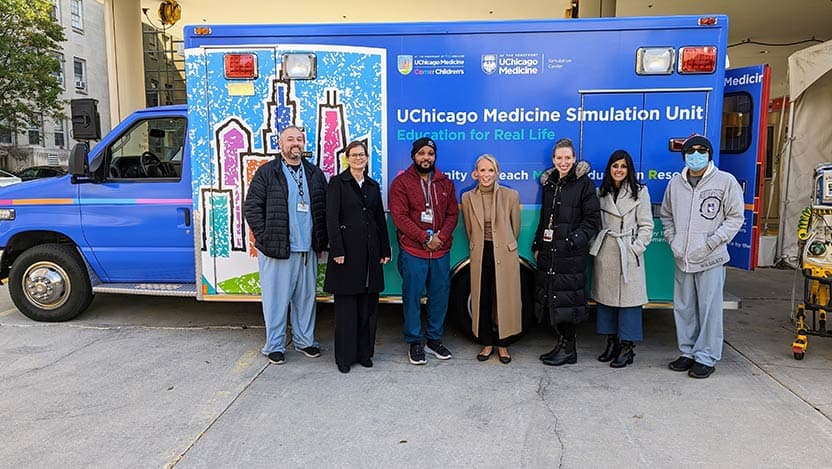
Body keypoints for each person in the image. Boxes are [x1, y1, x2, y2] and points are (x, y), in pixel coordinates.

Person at [659, 135, 744, 379]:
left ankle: (706, 357)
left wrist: (712, 243)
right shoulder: (676, 184)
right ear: (684, 156)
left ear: (709, 154)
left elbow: (735, 217)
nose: (696, 155)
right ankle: (687, 352)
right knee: (684, 308)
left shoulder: (725, 181)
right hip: (683, 258)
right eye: (691, 151)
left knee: (709, 310)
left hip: (711, 258)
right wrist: (672, 239)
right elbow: (666, 215)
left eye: (701, 151)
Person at [244, 126, 328, 365]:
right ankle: (275, 345)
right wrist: (265, 236)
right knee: (276, 300)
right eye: (290, 139)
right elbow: (252, 207)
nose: (295, 143)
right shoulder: (268, 173)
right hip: (278, 249)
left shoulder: (313, 173)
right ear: (280, 145)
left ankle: (305, 341)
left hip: (307, 249)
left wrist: (321, 240)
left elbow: (323, 209)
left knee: (305, 299)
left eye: (299, 139)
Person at [389, 137, 459, 365]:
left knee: (439, 296)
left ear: (434, 157)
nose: (426, 158)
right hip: (413, 251)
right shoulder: (401, 183)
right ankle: (414, 342)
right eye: (422, 154)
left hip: (440, 250)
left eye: (430, 153)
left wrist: (441, 237)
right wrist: (424, 237)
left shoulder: (445, 183)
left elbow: (452, 214)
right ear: (414, 156)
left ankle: (434, 340)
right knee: (412, 297)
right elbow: (399, 217)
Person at [324, 141, 391, 373]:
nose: (358, 158)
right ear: (347, 158)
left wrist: (385, 249)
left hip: (371, 255)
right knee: (346, 311)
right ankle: (344, 358)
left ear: (367, 157)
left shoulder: (372, 186)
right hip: (346, 254)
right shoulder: (337, 183)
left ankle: (364, 353)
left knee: (368, 309)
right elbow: (331, 219)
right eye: (353, 155)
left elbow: (379, 221)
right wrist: (337, 250)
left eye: (362, 155)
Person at [533, 137, 601, 366]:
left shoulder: (584, 184)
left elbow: (592, 220)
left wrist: (573, 241)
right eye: (559, 158)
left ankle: (570, 350)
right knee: (553, 299)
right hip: (550, 251)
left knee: (568, 301)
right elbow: (545, 218)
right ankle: (561, 344)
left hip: (570, 253)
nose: (563, 162)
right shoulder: (550, 183)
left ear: (574, 159)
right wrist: (537, 244)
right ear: (553, 159)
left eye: (568, 158)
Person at [589, 150, 653, 368]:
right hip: (607, 250)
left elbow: (647, 225)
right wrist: (595, 245)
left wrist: (636, 248)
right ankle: (611, 343)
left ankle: (627, 347)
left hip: (628, 251)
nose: (619, 170)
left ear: (629, 169)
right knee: (606, 301)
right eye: (615, 166)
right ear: (609, 169)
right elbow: (595, 223)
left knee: (629, 303)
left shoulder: (640, 192)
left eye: (623, 166)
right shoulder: (601, 193)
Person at [461, 154, 522, 364]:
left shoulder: (510, 195)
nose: (486, 175)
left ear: (497, 173)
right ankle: (487, 343)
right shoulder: (467, 197)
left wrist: (503, 244)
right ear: (475, 173)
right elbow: (469, 228)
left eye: (490, 170)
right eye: (482, 170)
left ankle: (503, 345)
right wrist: (480, 245)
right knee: (483, 298)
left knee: (504, 299)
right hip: (481, 252)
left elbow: (515, 228)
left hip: (504, 252)